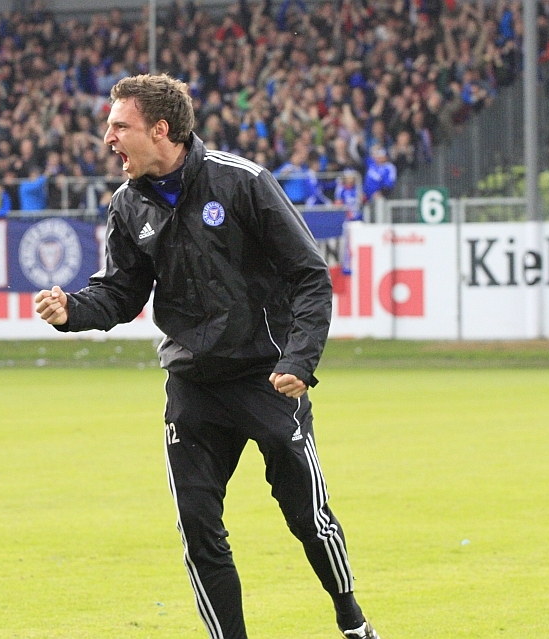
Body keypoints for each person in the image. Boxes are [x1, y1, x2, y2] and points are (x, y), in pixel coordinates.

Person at [35, 74, 381, 639]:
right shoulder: (127, 204)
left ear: (160, 129)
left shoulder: (242, 182)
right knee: (199, 531)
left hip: (267, 379)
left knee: (307, 518)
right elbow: (121, 293)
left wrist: (298, 361)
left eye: (119, 126)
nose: (108, 138)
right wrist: (72, 309)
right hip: (193, 387)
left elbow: (310, 277)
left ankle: (350, 616)